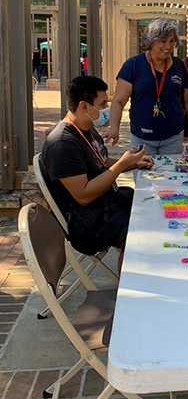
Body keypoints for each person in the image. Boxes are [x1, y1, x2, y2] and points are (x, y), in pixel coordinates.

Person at [39, 76, 153, 268]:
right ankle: (129, 291)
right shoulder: (63, 143)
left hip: (103, 201)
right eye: (102, 104)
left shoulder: (87, 129)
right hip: (84, 220)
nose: (106, 109)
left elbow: (99, 162)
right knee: (138, 232)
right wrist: (122, 164)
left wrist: (132, 163)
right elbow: (83, 195)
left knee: (149, 205)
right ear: (84, 106)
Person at [102, 17, 188, 154]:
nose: (169, 46)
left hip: (173, 138)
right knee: (144, 175)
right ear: (151, 41)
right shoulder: (133, 65)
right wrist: (114, 127)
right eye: (163, 41)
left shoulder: (179, 65)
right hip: (142, 139)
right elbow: (118, 101)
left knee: (170, 175)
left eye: (172, 41)